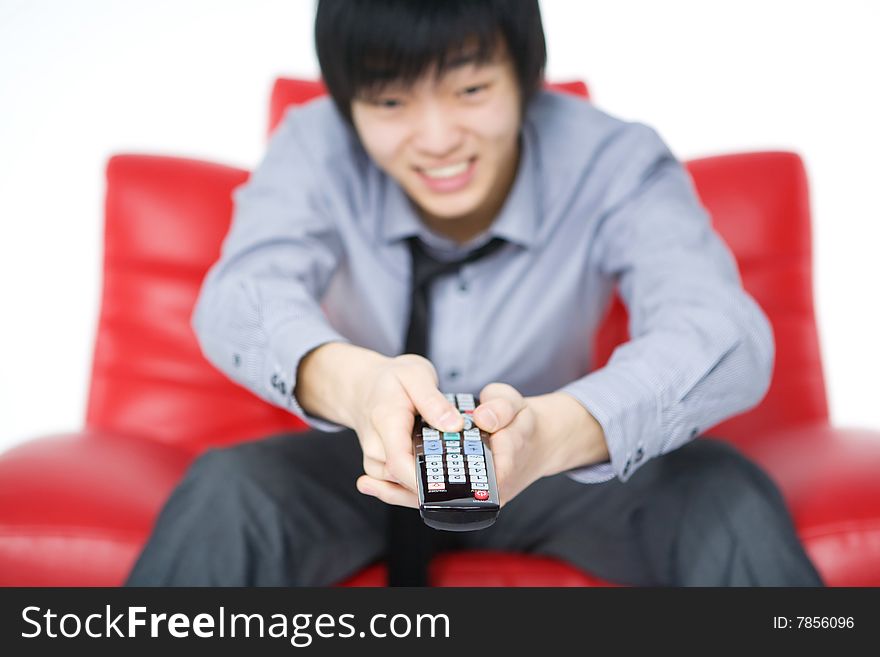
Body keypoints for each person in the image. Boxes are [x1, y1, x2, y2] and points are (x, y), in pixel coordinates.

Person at [125, 0, 824, 587]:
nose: (436, 140)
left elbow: (720, 329)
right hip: (363, 453)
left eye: (470, 90)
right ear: (347, 104)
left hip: (555, 452)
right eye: (391, 101)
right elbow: (243, 292)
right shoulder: (312, 145)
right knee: (226, 489)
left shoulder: (614, 158)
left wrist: (552, 433)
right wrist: (360, 387)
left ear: (526, 78)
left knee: (721, 491)